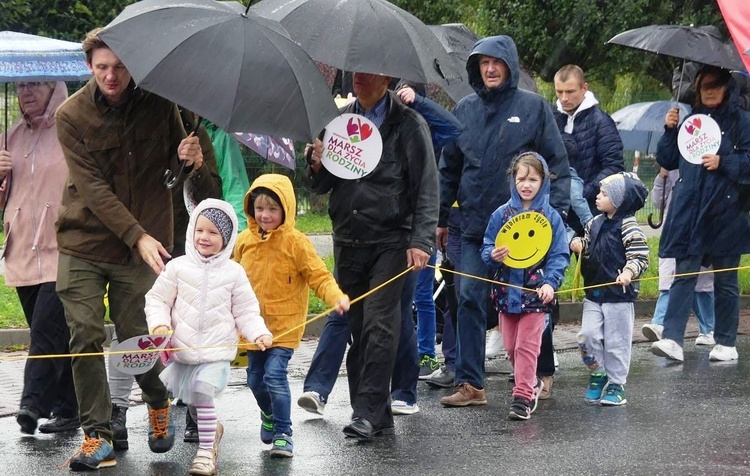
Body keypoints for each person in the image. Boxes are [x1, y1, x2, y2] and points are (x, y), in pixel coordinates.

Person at [54, 28, 203, 470]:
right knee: (83, 334)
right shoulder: (70, 115)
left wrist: (190, 160)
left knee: (137, 337)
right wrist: (136, 234)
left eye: (119, 67)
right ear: (89, 67)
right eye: (102, 68)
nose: (111, 76)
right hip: (83, 241)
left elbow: (178, 173)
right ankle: (96, 436)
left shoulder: (160, 104)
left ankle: (157, 401)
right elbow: (95, 190)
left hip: (145, 246)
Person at [438, 35, 570, 408]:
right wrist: (441, 217)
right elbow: (449, 168)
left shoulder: (534, 107)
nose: (491, 68)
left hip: (525, 230)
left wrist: (555, 217)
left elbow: (557, 166)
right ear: (476, 69)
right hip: (473, 226)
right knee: (467, 298)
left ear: (510, 65)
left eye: (497, 62)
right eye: (483, 63)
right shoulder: (463, 109)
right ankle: (471, 384)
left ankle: (541, 372)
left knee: (530, 301)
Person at [306, 71, 438, 438]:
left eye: (368, 72)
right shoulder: (337, 121)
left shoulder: (410, 124)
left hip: (392, 241)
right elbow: (321, 183)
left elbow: (427, 185)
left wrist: (421, 240)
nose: (358, 78)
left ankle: (364, 411)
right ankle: (376, 414)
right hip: (348, 239)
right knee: (359, 329)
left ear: (387, 78)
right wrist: (315, 162)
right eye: (355, 71)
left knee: (382, 324)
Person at [106, 108, 223, 449]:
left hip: (183, 246)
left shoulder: (193, 131)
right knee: (129, 323)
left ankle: (191, 406)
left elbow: (211, 200)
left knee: (185, 326)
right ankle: (118, 410)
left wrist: (197, 168)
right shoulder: (131, 120)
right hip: (137, 241)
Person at [145, 198, 271, 474]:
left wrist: (259, 332)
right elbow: (157, 300)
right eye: (200, 230)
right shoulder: (177, 267)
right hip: (183, 350)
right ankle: (213, 430)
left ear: (226, 239)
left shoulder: (234, 273)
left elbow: (246, 311)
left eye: (214, 233)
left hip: (216, 353)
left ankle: (205, 453)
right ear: (192, 231)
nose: (205, 237)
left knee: (202, 393)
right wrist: (159, 326)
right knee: (194, 402)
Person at [234, 174, 349, 456]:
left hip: (284, 327)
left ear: (286, 209)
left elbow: (319, 276)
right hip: (252, 328)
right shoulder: (243, 241)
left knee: (274, 376)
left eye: (273, 209)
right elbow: (229, 279)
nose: (265, 215)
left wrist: (336, 297)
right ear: (251, 208)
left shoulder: (296, 243)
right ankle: (270, 414)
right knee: (254, 380)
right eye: (259, 208)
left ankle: (284, 433)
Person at [651, 65, 750, 363]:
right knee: (684, 273)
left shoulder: (741, 121)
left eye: (715, 84)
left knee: (726, 279)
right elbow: (668, 160)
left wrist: (724, 162)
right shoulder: (689, 121)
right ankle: (672, 338)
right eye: (703, 85)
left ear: (727, 87)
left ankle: (726, 341)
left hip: (726, 211)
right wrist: (670, 131)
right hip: (690, 208)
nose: (709, 90)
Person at [0, 81, 79, 435]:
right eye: (20, 86)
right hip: (21, 249)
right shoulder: (10, 137)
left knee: (46, 330)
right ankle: (70, 408)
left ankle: (31, 403)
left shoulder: (71, 127)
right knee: (50, 332)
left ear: (53, 87)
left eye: (35, 85)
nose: (25, 93)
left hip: (61, 246)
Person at [480, 153, 569, 420]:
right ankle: (530, 383)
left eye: (533, 179)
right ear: (513, 180)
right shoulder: (501, 214)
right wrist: (491, 255)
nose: (526, 184)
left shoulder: (551, 217)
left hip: (536, 297)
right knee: (509, 345)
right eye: (521, 179)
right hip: (506, 295)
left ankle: (521, 398)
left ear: (543, 181)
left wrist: (550, 283)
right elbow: (486, 247)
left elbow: (559, 255)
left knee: (526, 347)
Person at [395, 80, 463, 380]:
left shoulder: (430, 134)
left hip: (421, 225)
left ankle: (426, 355)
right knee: (394, 296)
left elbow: (454, 127)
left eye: (407, 94)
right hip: (391, 226)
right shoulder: (387, 130)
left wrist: (419, 102)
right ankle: (396, 354)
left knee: (422, 294)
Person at [570, 172, 649, 406]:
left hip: (618, 297)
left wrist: (628, 273)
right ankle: (597, 372)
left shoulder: (629, 227)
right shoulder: (594, 222)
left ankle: (616, 384)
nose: (597, 197)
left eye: (604, 194)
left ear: (620, 200)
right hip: (594, 293)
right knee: (586, 336)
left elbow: (640, 256)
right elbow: (589, 244)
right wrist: (579, 245)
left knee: (617, 342)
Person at [642, 168, 715, 344]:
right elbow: (659, 201)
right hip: (673, 232)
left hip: (699, 229)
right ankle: (660, 323)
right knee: (669, 281)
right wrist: (661, 176)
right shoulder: (672, 168)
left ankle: (709, 328)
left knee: (700, 286)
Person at [554, 64, 624, 232]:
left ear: (584, 88)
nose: (564, 98)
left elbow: (614, 167)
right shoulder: (551, 119)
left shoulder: (601, 122)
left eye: (570, 92)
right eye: (559, 91)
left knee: (591, 258)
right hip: (558, 209)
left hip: (593, 210)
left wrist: (583, 193)